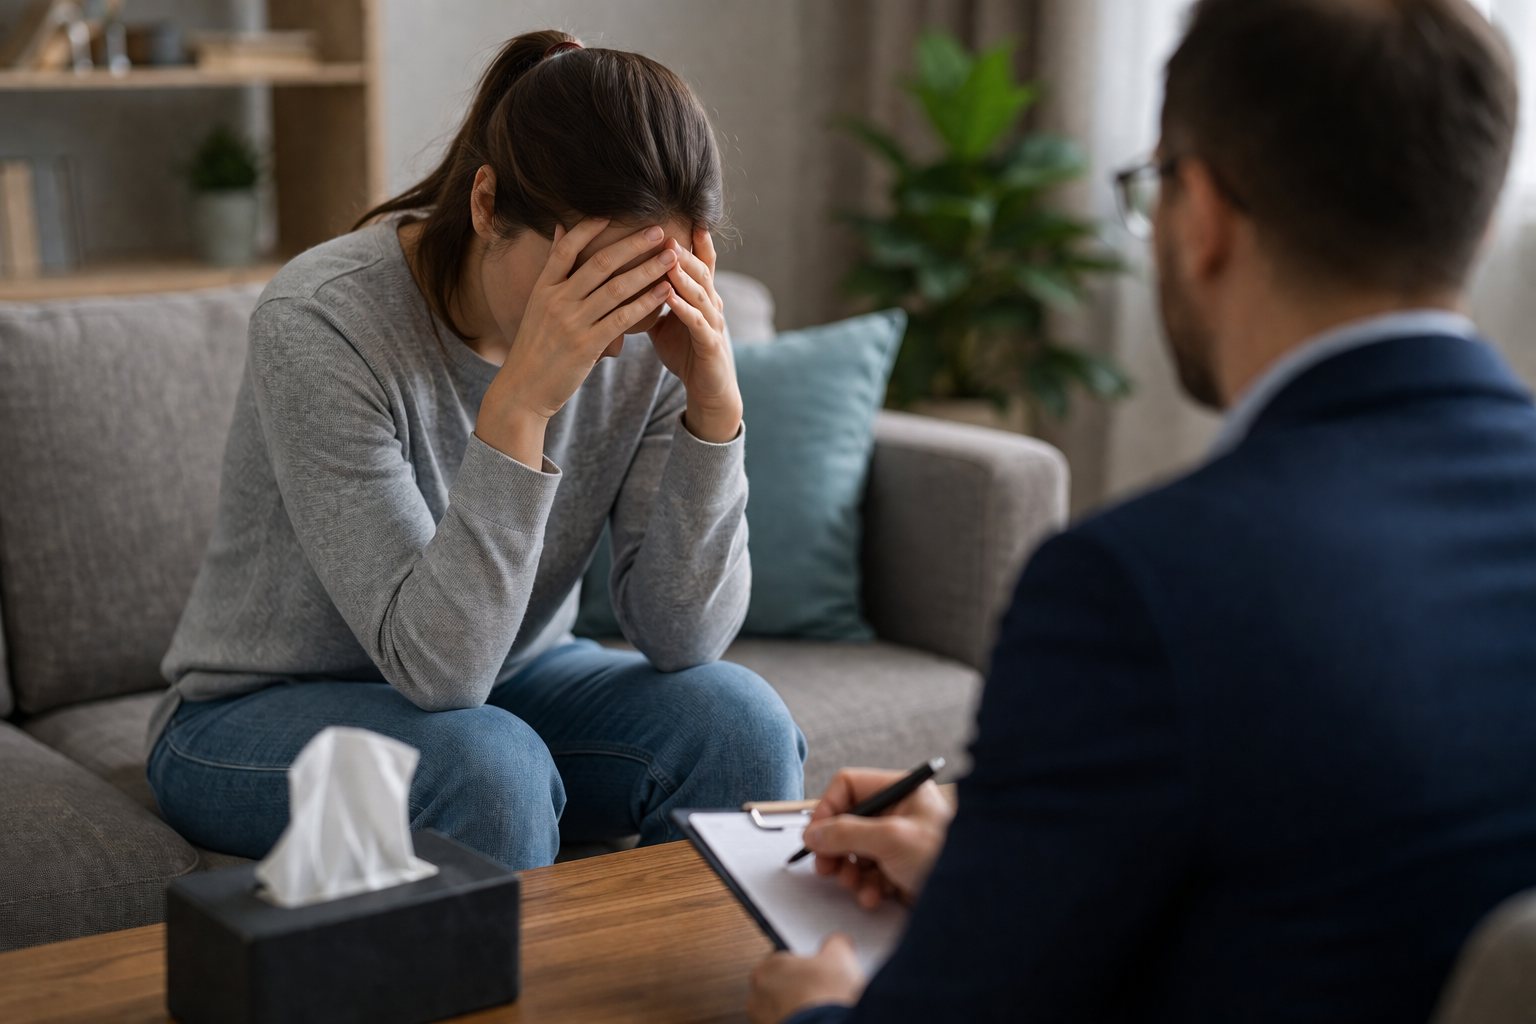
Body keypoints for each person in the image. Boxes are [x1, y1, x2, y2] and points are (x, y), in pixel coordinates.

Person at [749, 0, 1536, 1020]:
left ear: (1199, 212)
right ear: (1475, 220)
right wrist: (997, 881)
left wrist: (813, 1008)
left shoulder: (1141, 584)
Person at [146, 30, 806, 871]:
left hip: (511, 681)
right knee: (488, 769)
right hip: (256, 713)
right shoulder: (322, 323)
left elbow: (685, 640)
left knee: (741, 726)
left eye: (641, 283)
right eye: (583, 279)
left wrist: (714, 412)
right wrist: (521, 406)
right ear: (487, 205)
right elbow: (439, 673)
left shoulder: (659, 337)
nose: (611, 328)